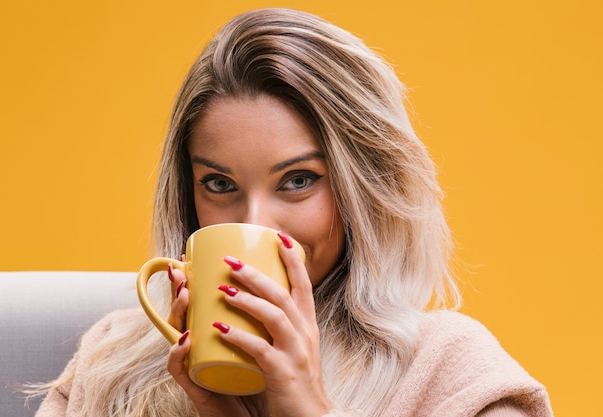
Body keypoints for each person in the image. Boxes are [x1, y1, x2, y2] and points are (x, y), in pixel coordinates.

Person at [33, 7, 553, 417]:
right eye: (219, 184)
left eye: (298, 181)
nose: (255, 223)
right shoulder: (111, 367)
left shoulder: (451, 373)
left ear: (363, 189)